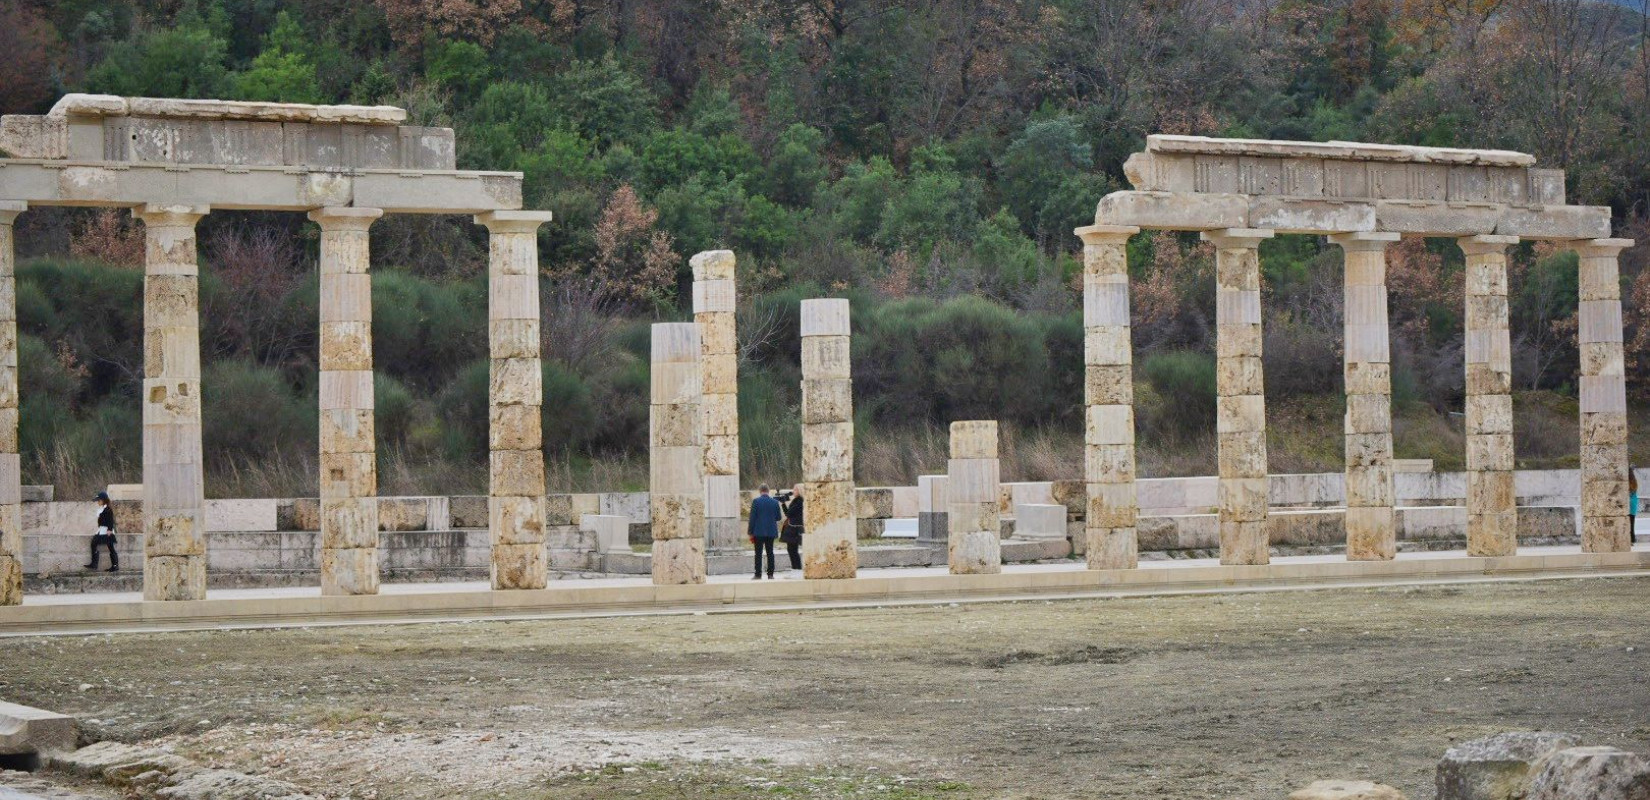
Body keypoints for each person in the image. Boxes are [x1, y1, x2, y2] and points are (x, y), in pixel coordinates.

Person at [748, 484, 782, 580]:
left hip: (758, 531)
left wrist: (750, 532)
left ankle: (758, 574)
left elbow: (752, 518)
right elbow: (778, 517)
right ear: (768, 491)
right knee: (770, 552)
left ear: (760, 491)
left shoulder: (756, 501)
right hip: (771, 531)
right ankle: (770, 574)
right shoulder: (775, 502)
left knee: (758, 553)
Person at [85, 491, 118, 572]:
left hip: (107, 531)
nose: (98, 502)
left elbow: (111, 520)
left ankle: (115, 566)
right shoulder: (101, 509)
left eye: (99, 500)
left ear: (104, 500)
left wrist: (109, 530)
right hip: (101, 530)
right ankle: (94, 564)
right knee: (94, 543)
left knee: (110, 547)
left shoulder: (108, 509)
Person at [778, 484, 805, 572]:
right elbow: (788, 513)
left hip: (795, 528)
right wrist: (783, 504)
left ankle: (797, 568)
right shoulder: (796, 501)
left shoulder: (799, 501)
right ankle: (795, 568)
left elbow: (789, 513)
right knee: (791, 549)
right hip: (793, 527)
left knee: (793, 550)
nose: (793, 491)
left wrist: (784, 503)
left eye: (795, 490)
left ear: (799, 491)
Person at [1631, 468, 1639, 545]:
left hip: (1628, 505)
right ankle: (1632, 539)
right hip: (1633, 505)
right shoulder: (1634, 482)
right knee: (1632, 523)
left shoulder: (1626, 483)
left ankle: (1630, 540)